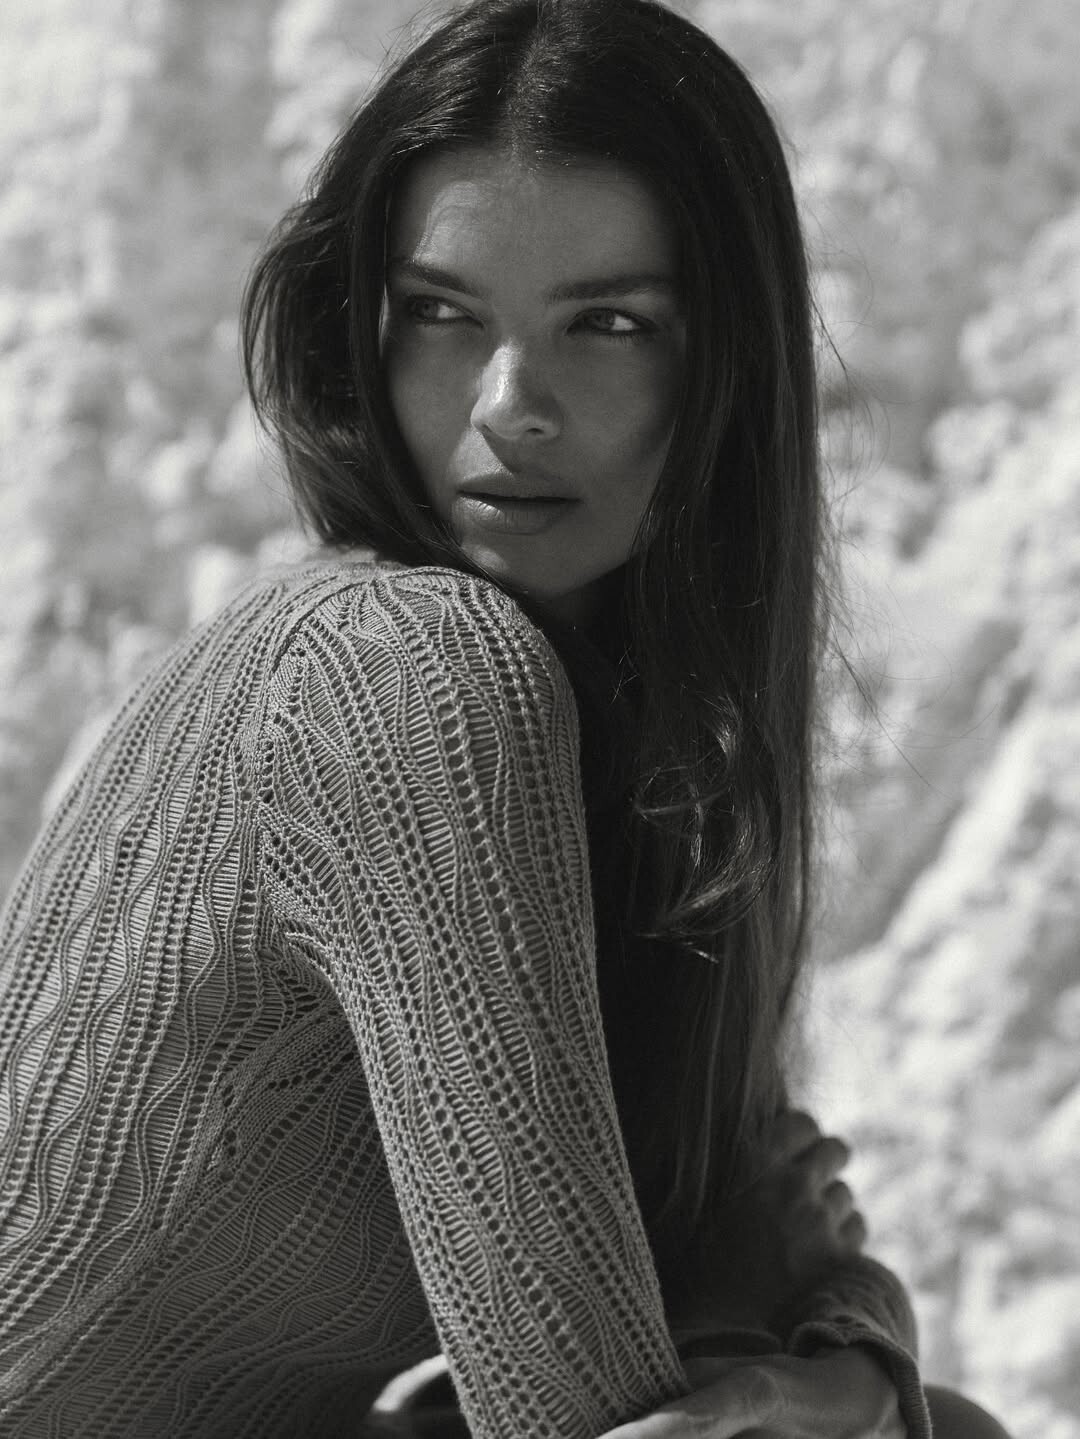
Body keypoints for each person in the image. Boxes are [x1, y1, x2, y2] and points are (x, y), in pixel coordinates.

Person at [0, 0, 1011, 1435]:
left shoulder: (632, 737)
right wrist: (848, 1391)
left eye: (609, 325)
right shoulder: (402, 675)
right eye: (441, 313)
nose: (510, 404)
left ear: (725, 367)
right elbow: (580, 1406)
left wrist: (845, 1368)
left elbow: (758, 1206)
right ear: (360, 331)